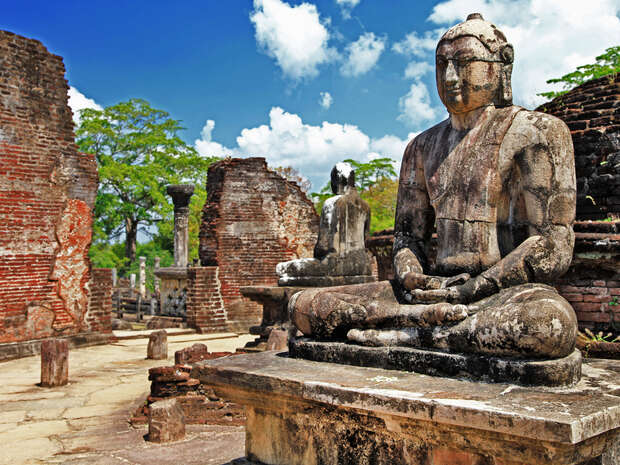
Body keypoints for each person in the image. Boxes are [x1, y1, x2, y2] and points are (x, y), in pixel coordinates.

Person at [289, 13, 578, 360]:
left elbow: (551, 246)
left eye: (464, 62)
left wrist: (472, 289)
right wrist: (411, 273)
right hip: (430, 292)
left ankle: (409, 333)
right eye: (441, 65)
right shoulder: (421, 146)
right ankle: (423, 325)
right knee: (303, 306)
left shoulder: (537, 132)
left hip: (499, 293)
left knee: (547, 325)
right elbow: (408, 238)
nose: (450, 77)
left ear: (501, 64)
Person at [276, 163, 373, 286]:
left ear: (337, 180)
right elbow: (366, 240)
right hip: (363, 265)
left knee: (282, 269)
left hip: (335, 265)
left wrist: (318, 257)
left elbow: (323, 245)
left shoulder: (333, 203)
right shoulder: (365, 207)